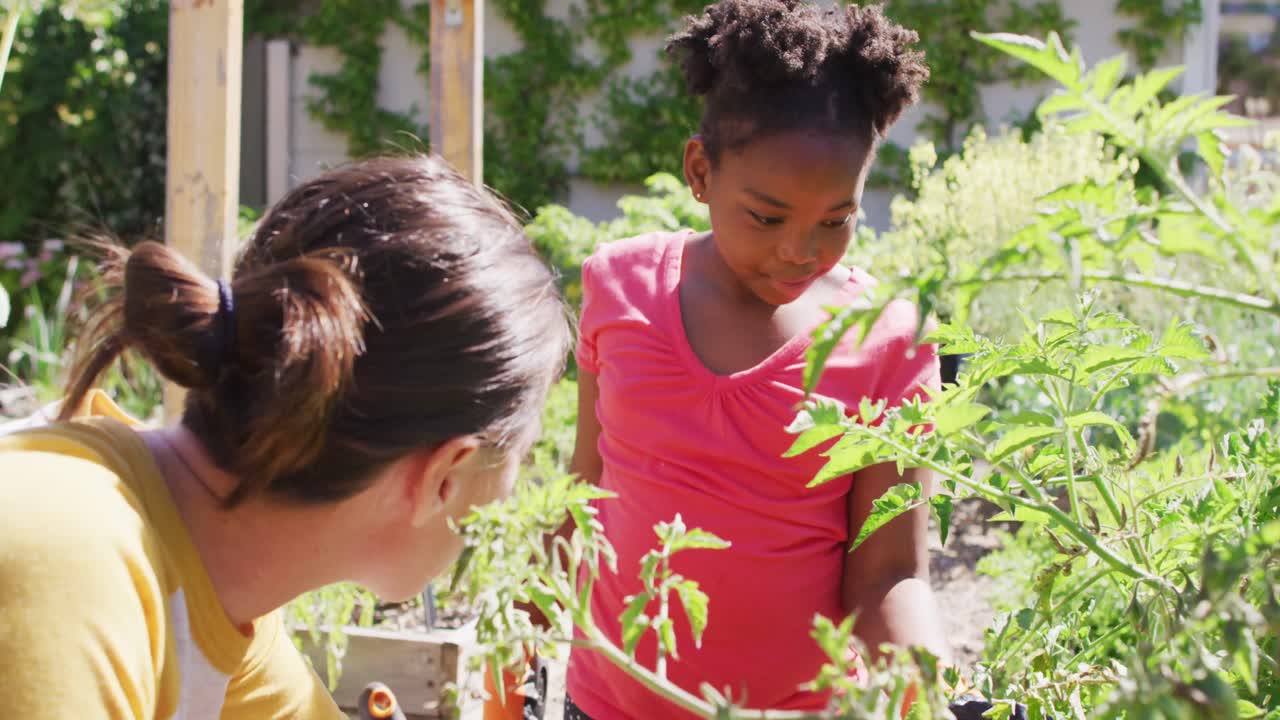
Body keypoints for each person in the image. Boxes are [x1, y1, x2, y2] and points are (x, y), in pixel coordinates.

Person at [0, 155, 572, 719]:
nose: (511, 493)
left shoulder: (222, 594)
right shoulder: (67, 571)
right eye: (520, 456)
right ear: (445, 476)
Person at [561, 1, 947, 718]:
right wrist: (519, 621)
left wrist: (925, 690)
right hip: (604, 703)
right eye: (766, 217)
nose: (800, 250)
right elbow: (585, 485)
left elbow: (890, 573)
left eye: (836, 219)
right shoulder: (619, 287)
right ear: (700, 171)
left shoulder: (889, 341)